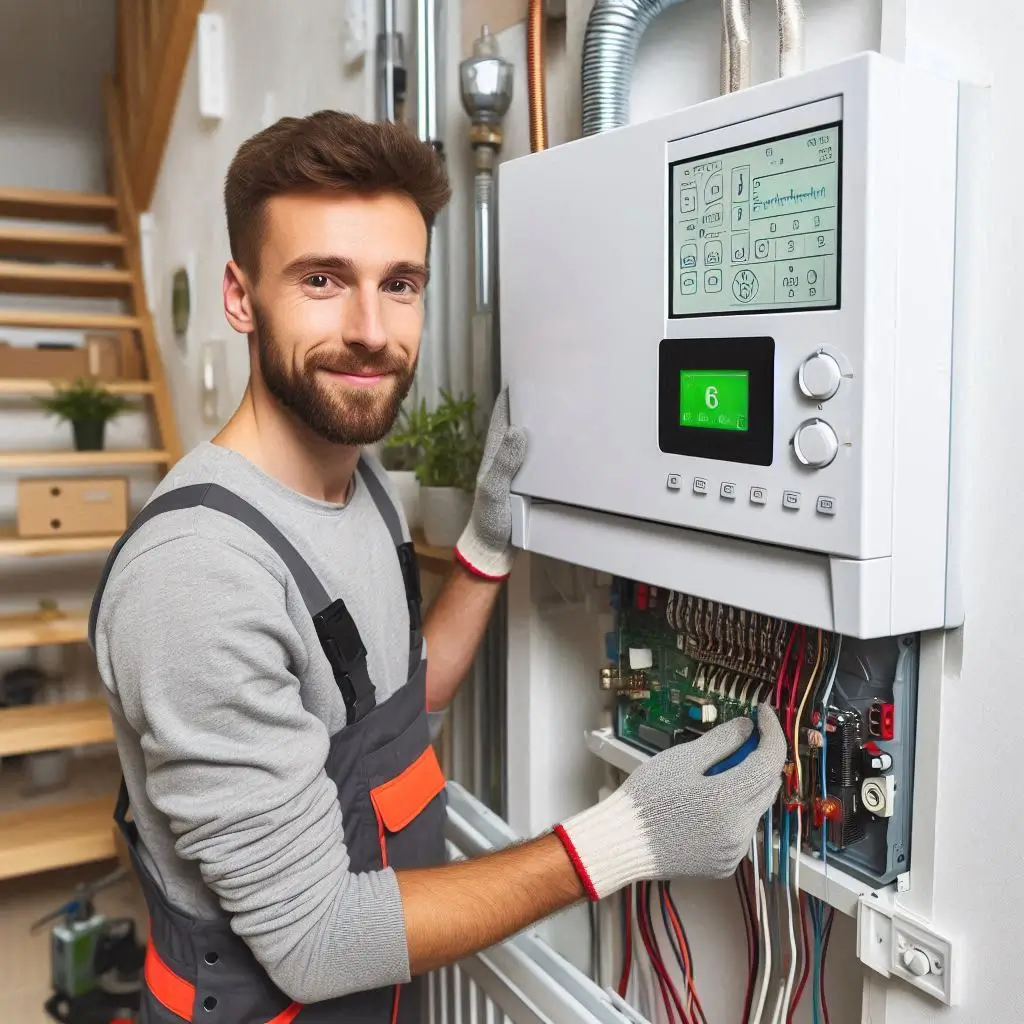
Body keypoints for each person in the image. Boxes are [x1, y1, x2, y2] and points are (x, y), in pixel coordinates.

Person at [90, 110, 787, 1023]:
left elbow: (397, 708)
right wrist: (626, 839)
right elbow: (316, 941)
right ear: (239, 294)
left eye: (401, 283)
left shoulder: (361, 481)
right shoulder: (198, 579)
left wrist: (487, 548)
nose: (371, 330)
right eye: (321, 279)